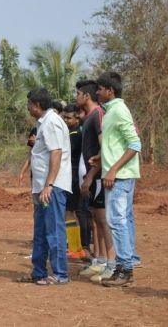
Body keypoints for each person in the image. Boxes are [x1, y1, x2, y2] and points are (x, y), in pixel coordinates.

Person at [18, 88, 72, 285]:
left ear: (37, 105)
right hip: (43, 187)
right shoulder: (44, 123)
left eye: (29, 105)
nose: (28, 108)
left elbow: (56, 152)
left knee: (54, 229)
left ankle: (60, 274)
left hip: (52, 187)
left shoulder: (51, 122)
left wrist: (50, 184)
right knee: (40, 230)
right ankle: (38, 272)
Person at [93, 72, 141, 287]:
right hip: (118, 174)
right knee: (123, 220)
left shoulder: (119, 111)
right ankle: (126, 264)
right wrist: (102, 158)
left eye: (100, 89)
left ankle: (124, 269)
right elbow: (119, 145)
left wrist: (112, 169)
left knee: (117, 221)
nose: (97, 92)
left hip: (119, 177)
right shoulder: (111, 111)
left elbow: (135, 144)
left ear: (110, 91)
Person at [76, 80, 117, 283]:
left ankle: (111, 264)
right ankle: (100, 260)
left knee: (102, 220)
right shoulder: (89, 118)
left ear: (86, 96)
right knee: (95, 219)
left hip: (99, 176)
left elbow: (104, 148)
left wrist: (91, 175)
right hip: (92, 177)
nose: (76, 98)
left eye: (78, 94)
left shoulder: (98, 114)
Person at [61, 104, 86, 260]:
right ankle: (74, 246)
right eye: (64, 117)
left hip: (74, 176)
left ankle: (76, 247)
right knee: (70, 212)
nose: (65, 120)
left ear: (77, 117)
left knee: (70, 212)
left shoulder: (75, 134)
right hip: (72, 175)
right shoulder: (72, 131)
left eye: (68, 118)